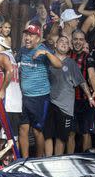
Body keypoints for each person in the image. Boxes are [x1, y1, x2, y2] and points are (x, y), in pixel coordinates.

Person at [18, 23, 63, 157]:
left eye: (31, 35)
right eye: (26, 34)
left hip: (40, 98)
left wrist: (46, 53)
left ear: (38, 38)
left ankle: (38, 159)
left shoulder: (43, 50)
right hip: (25, 97)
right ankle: (24, 161)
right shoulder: (22, 51)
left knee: (37, 130)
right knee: (22, 129)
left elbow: (59, 65)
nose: (27, 38)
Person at [45, 35, 92, 156]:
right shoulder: (48, 60)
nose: (64, 44)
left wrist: (90, 97)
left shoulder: (71, 63)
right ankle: (48, 161)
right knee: (48, 135)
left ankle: (58, 161)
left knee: (62, 137)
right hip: (49, 102)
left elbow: (81, 82)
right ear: (55, 44)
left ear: (69, 47)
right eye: (61, 41)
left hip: (65, 107)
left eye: (67, 42)